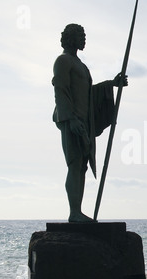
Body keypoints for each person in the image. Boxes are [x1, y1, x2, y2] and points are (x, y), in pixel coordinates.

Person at [52, 24, 128, 222]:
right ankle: (74, 212)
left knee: (82, 166)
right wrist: (70, 119)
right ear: (70, 38)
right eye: (80, 35)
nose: (84, 38)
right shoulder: (63, 61)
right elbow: (60, 90)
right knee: (74, 163)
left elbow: (88, 93)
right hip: (71, 120)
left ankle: (77, 211)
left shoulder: (81, 65)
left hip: (84, 121)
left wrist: (112, 84)